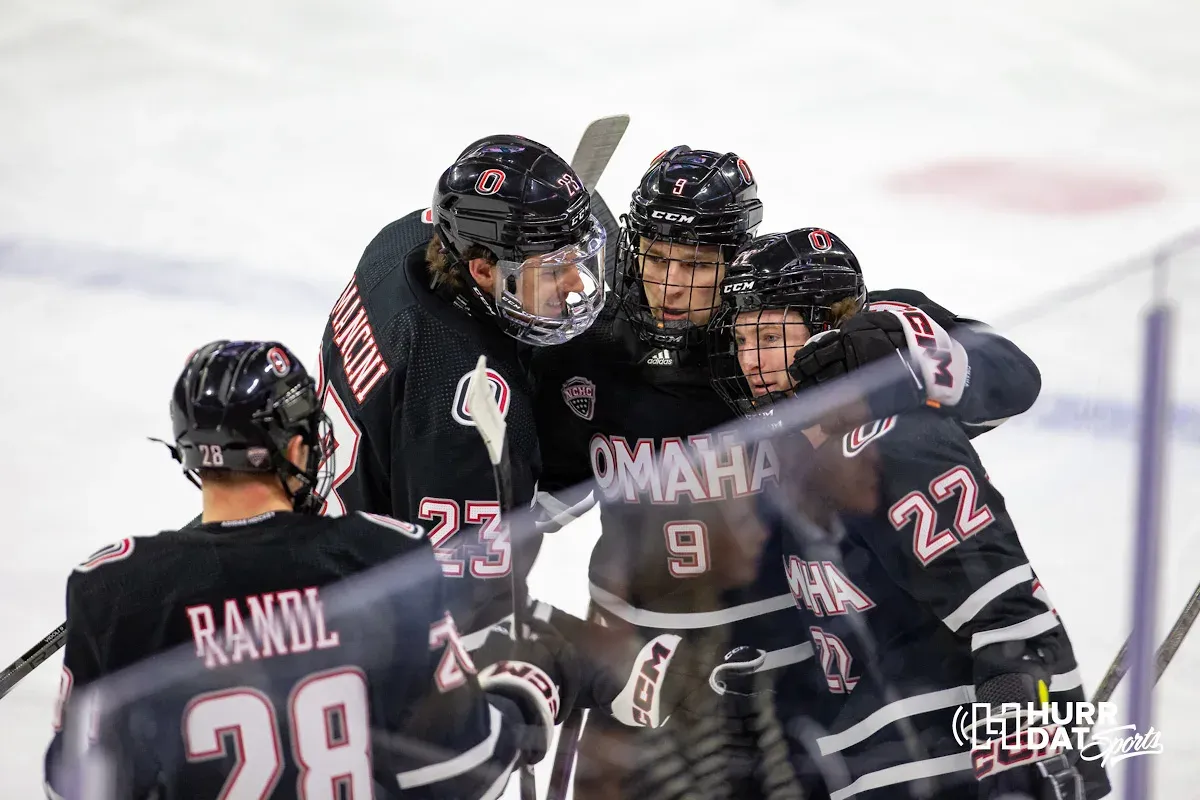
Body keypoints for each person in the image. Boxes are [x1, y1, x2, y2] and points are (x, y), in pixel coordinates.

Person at [531, 147, 1046, 798]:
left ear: (740, 257)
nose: (669, 286)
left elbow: (1012, 375)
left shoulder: (792, 343)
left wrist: (912, 352)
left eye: (695, 265)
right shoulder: (590, 345)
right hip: (631, 660)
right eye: (657, 257)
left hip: (782, 663)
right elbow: (527, 500)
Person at [44, 340, 582, 800]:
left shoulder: (113, 588)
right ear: (298, 447)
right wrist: (522, 699)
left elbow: (75, 783)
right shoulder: (378, 559)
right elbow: (463, 768)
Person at [708, 230, 1111, 799]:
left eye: (770, 337)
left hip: (950, 760)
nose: (752, 361)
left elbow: (1006, 619)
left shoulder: (890, 440)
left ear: (828, 328)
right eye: (744, 340)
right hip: (872, 761)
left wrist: (1024, 753)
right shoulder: (783, 455)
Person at [316, 134, 607, 640]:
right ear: (482, 269)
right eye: (554, 269)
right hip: (367, 630)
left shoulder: (402, 241)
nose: (577, 284)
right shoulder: (465, 416)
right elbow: (467, 618)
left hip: (333, 529)